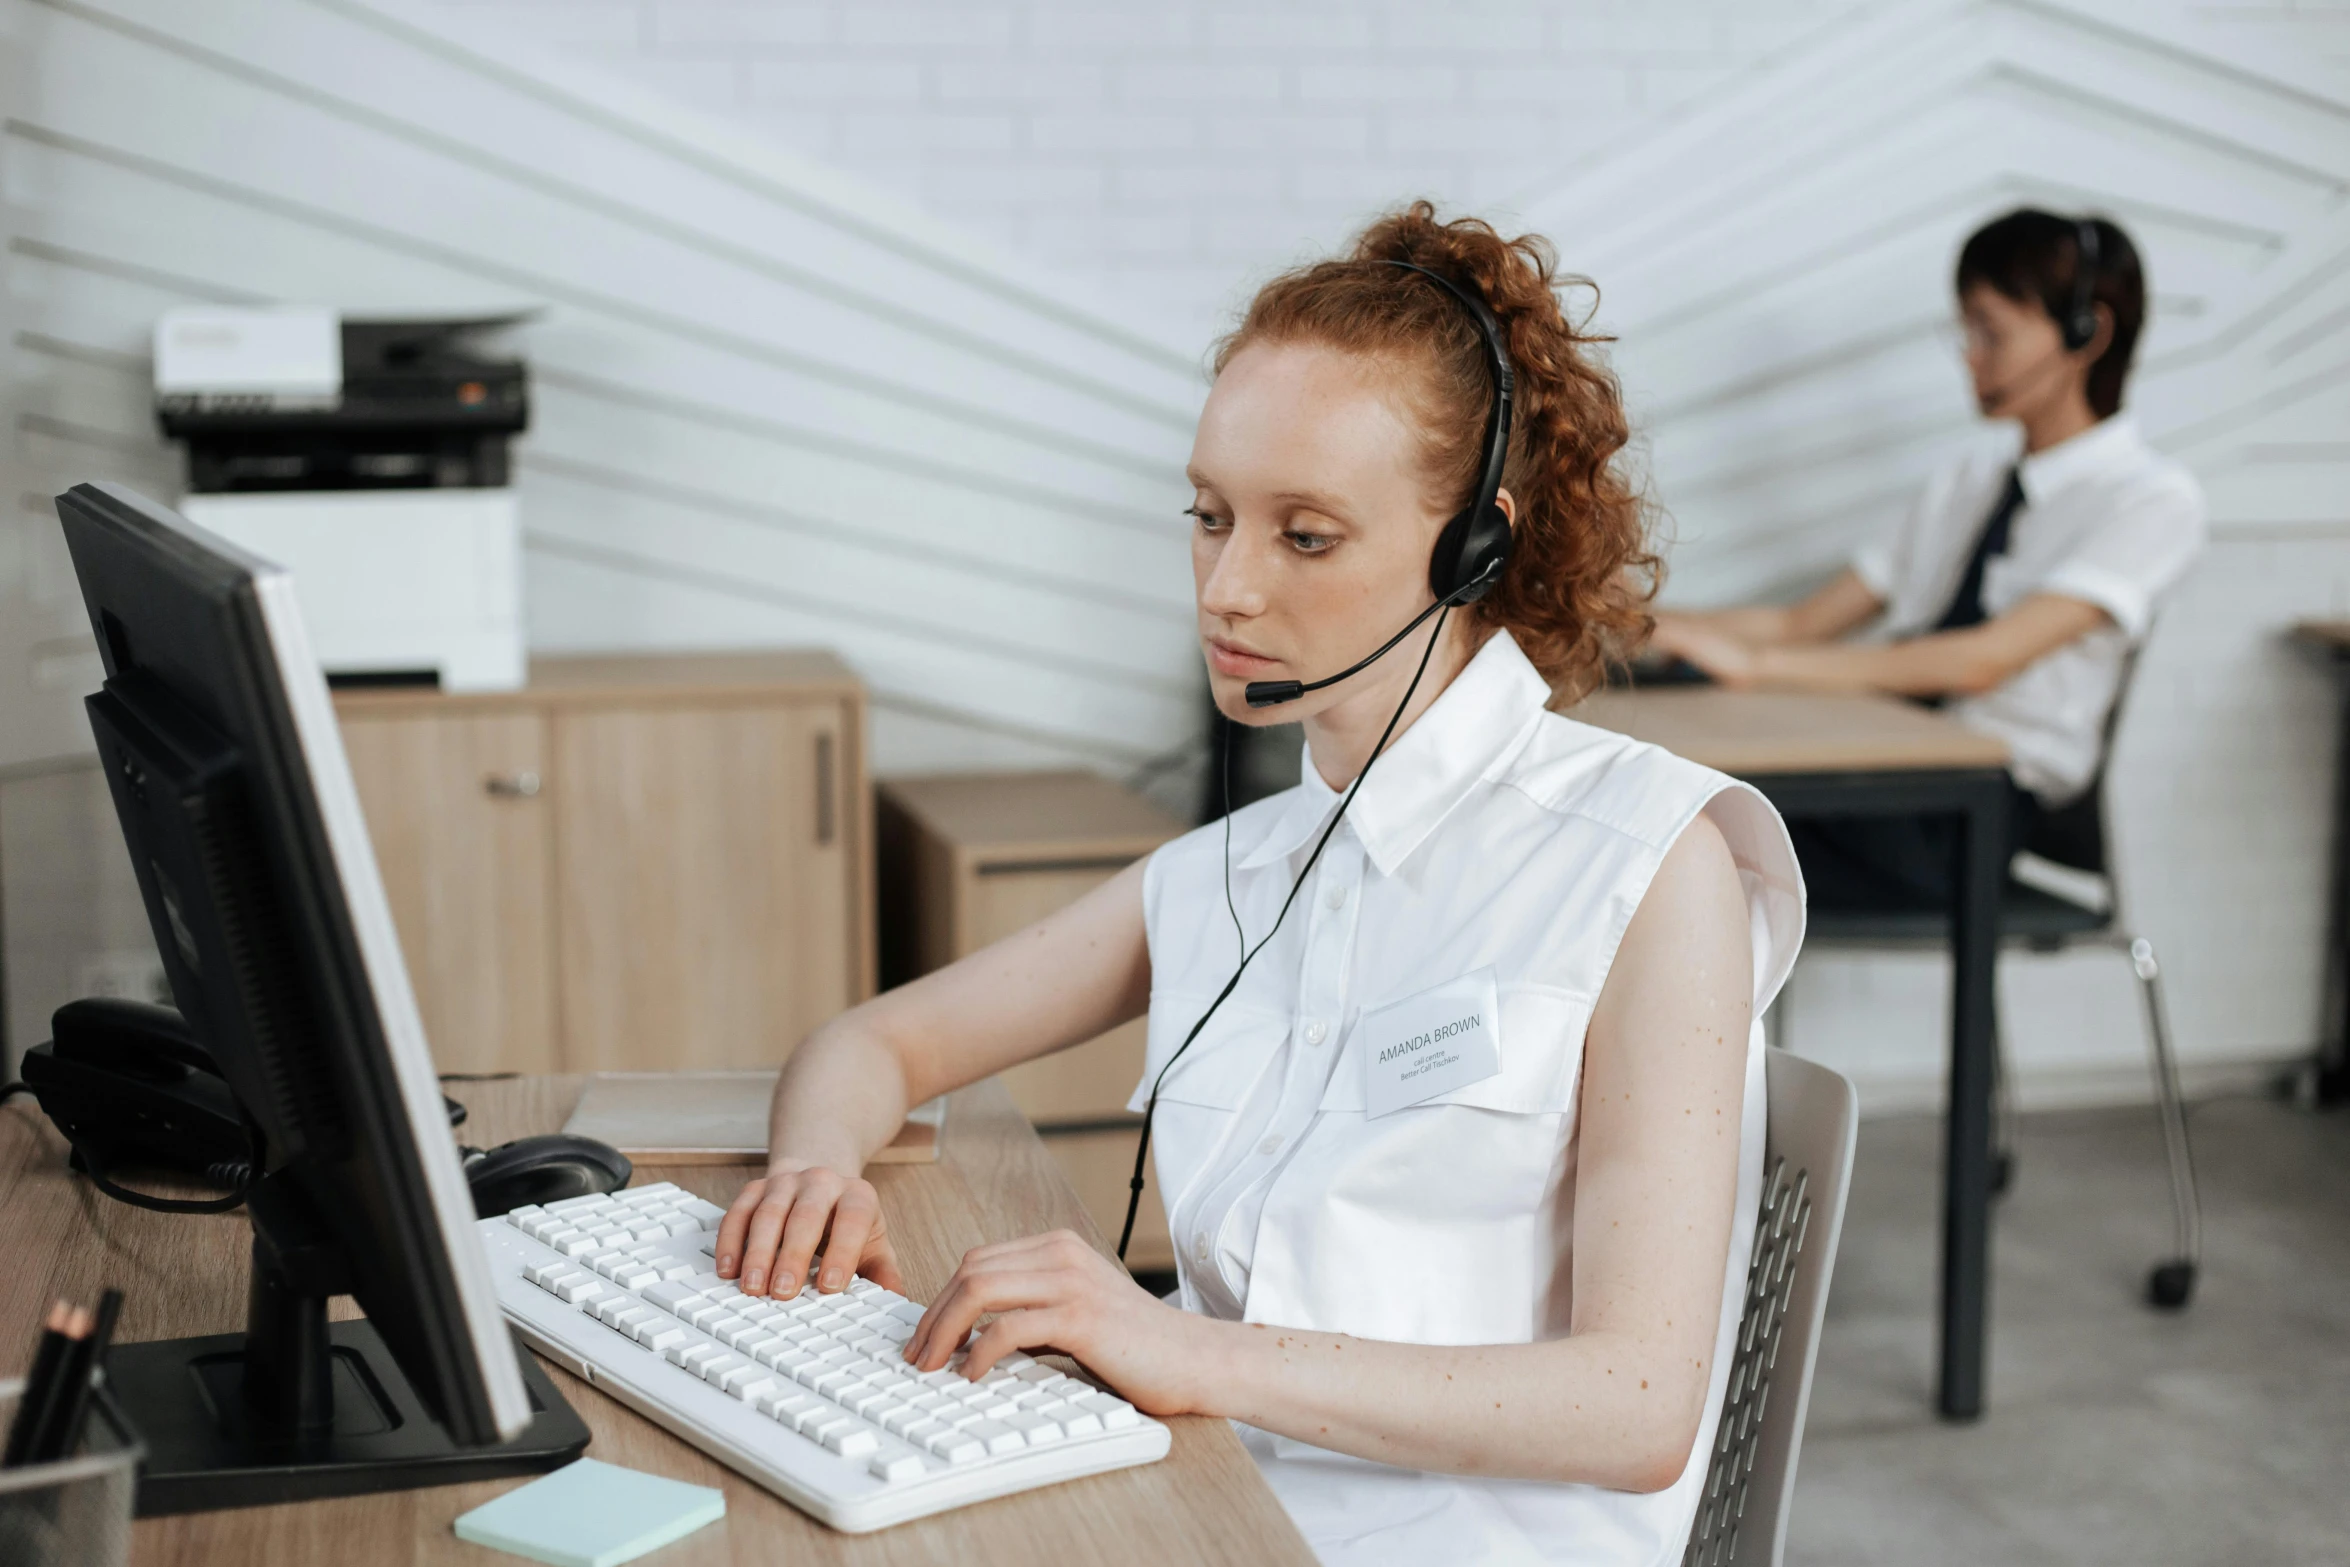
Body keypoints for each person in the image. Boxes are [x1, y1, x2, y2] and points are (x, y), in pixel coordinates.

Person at [714, 202, 1804, 1565]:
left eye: (1304, 535)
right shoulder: (1239, 869)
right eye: (1210, 514)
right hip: (1222, 1503)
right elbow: (875, 1039)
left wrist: (1184, 1348)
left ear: (1472, 545)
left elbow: (1635, 1403)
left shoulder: (1647, 864)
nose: (1225, 588)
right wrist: (816, 1172)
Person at [1648, 209, 2206, 908]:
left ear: (2086, 332)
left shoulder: (2151, 500)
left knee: (1686, 838)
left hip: (1977, 813)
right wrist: (1648, 621)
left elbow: (1983, 658)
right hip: (1895, 768)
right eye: (1965, 332)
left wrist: (1756, 668)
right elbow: (1803, 623)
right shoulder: (1968, 484)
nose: (1970, 356)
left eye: (1991, 332)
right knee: (1670, 798)